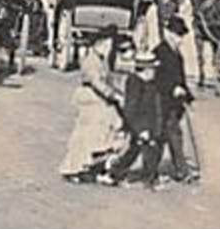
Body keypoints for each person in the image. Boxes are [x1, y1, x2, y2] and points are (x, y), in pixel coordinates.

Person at [58, 28, 126, 182]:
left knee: (103, 132)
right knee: (84, 136)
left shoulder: (101, 60)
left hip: (99, 101)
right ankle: (72, 169)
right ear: (101, 43)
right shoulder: (91, 60)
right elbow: (97, 82)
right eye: (108, 45)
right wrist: (113, 95)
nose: (110, 49)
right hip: (90, 100)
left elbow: (108, 79)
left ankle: (92, 166)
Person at [104, 51, 163, 187]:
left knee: (134, 151)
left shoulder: (150, 84)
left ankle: (115, 173)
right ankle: (150, 179)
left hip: (150, 124)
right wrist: (140, 129)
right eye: (153, 69)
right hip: (141, 126)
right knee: (149, 151)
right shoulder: (135, 83)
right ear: (146, 70)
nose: (155, 72)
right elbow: (130, 110)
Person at [155, 15, 198, 182]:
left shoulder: (177, 54)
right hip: (162, 103)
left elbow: (180, 79)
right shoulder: (159, 52)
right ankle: (180, 171)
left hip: (175, 104)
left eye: (181, 36)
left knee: (166, 138)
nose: (180, 40)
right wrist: (172, 89)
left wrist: (188, 96)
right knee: (172, 135)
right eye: (177, 36)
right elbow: (157, 80)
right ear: (168, 33)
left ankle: (153, 171)